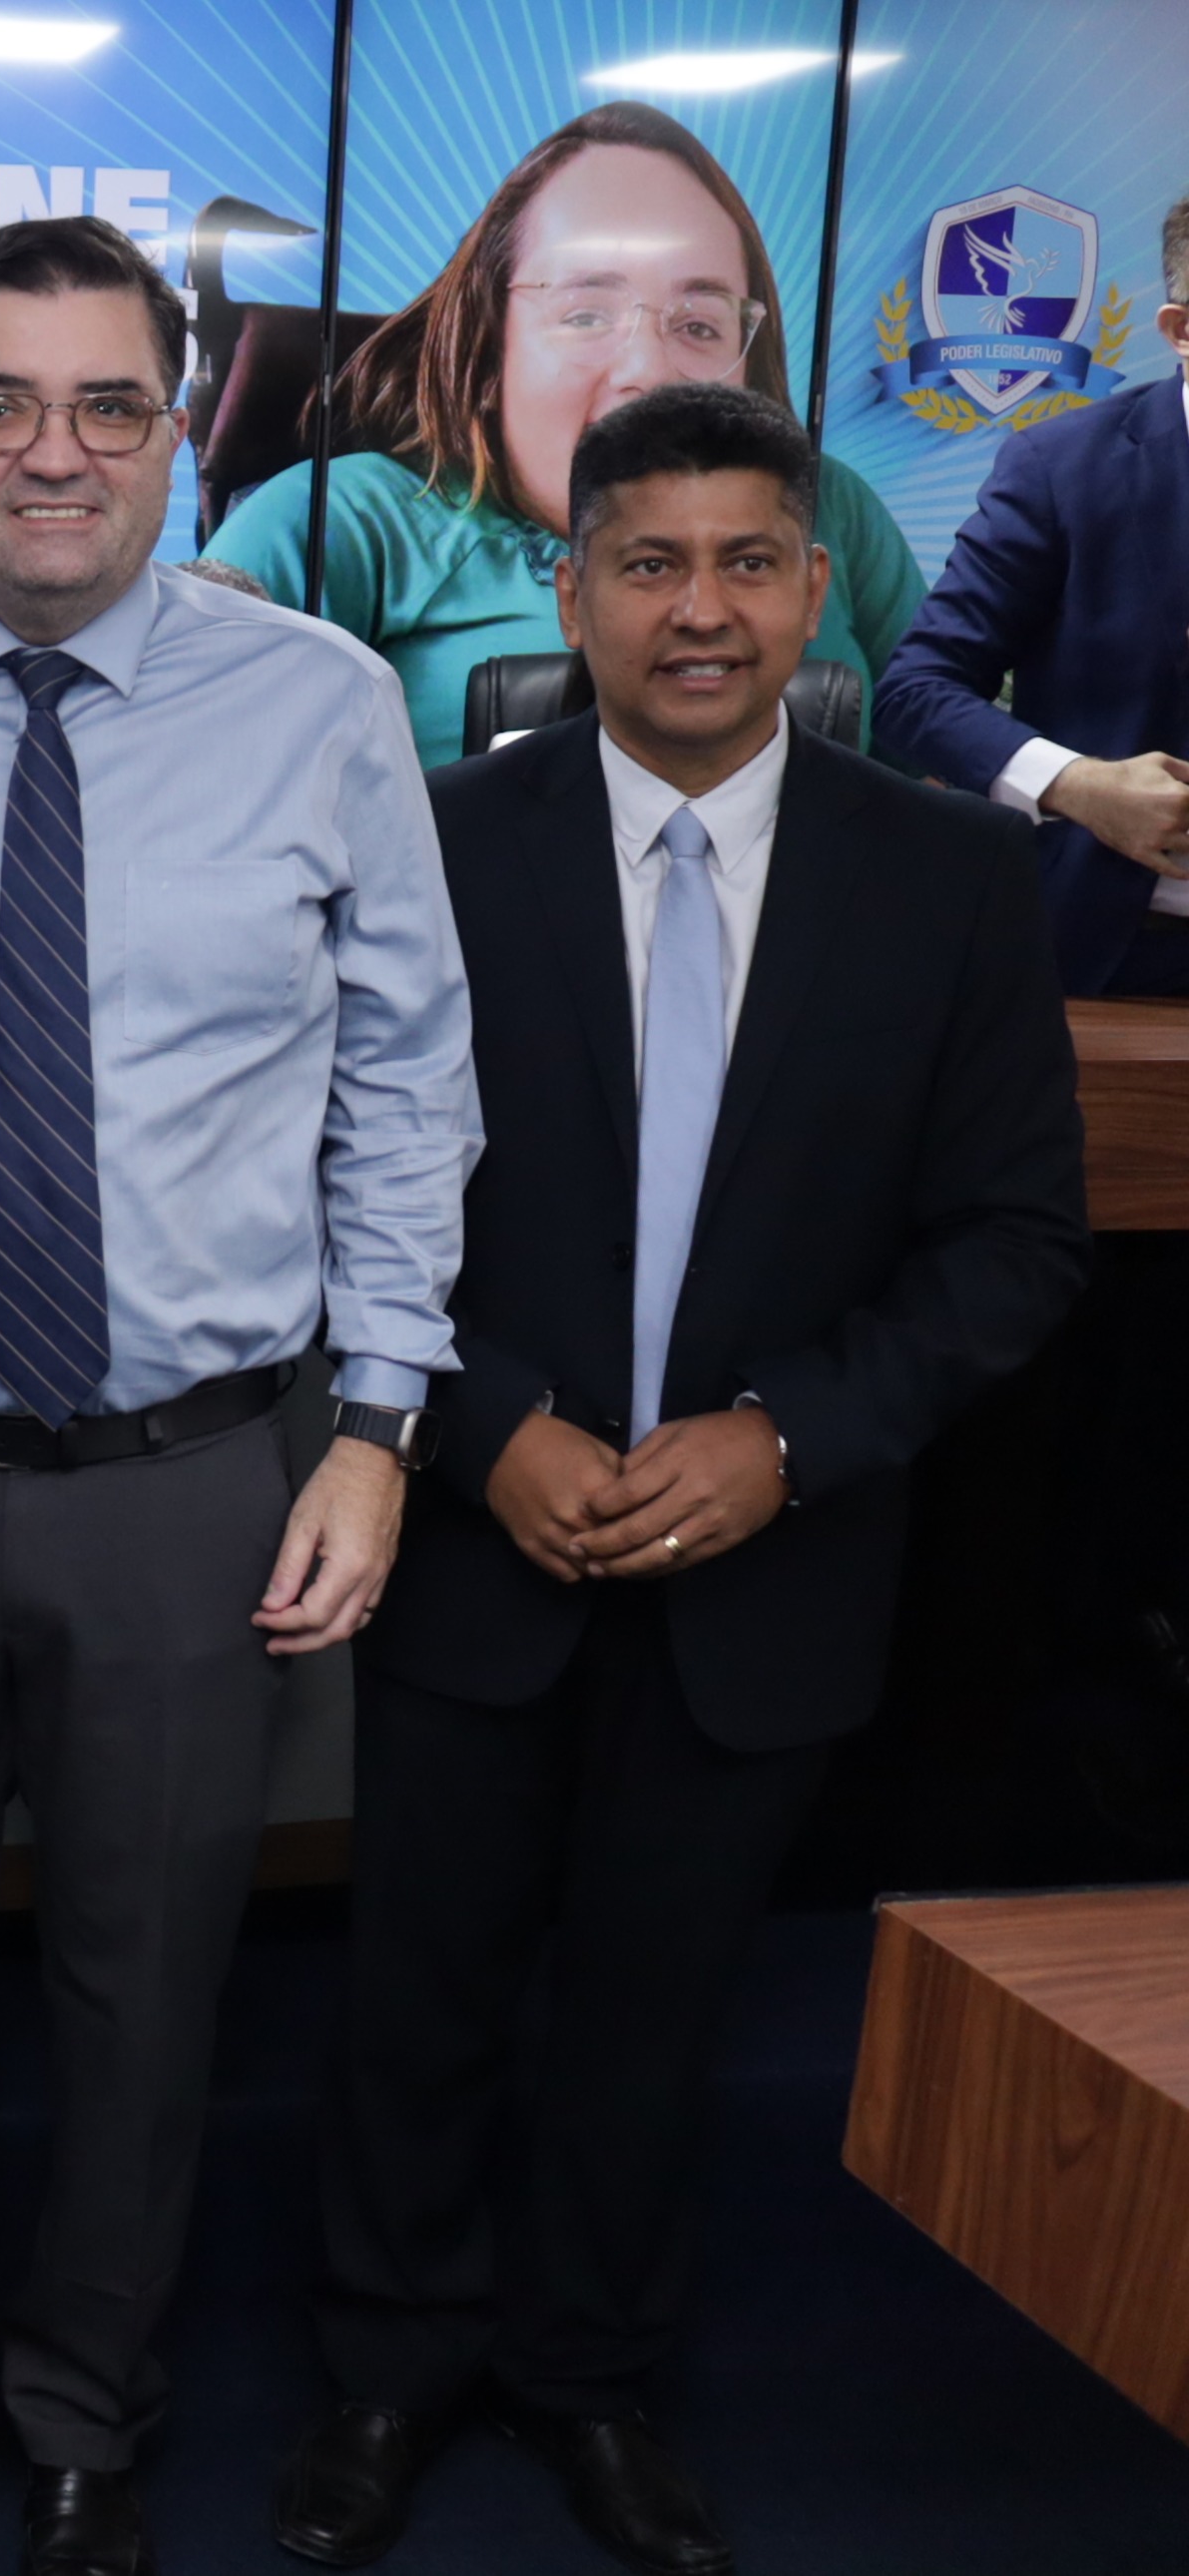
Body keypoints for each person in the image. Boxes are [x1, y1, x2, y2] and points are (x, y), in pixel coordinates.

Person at [0, 217, 477, 2576]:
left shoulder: (322, 703)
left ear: (177, 434)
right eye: (0, 408)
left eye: (109, 406)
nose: (55, 454)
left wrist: (379, 1422)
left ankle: (83, 2423)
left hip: (192, 1481)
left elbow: (407, 1083)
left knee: (148, 1991)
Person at [274, 383, 1089, 2576]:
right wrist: (481, 1427)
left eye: (745, 562)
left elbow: (1013, 1240)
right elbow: (323, 1176)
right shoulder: (436, 844)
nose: (698, 609)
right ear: (572, 595)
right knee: (418, 1988)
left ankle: (588, 2377)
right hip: (480, 1540)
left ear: (815, 591)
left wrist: (789, 1437)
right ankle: (383, 2369)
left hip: (769, 1564)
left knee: (656, 2005)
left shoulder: (950, 875)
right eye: (648, 564)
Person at [205, 103, 920, 771]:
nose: (650, 371)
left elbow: (940, 743)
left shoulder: (830, 507)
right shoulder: (339, 523)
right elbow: (184, 776)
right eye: (586, 316)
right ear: (491, 345)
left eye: (699, 325)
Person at [874, 193, 1189, 996]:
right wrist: (1081, 787)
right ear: (1181, 331)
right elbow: (916, 690)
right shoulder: (1063, 469)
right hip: (1116, 956)